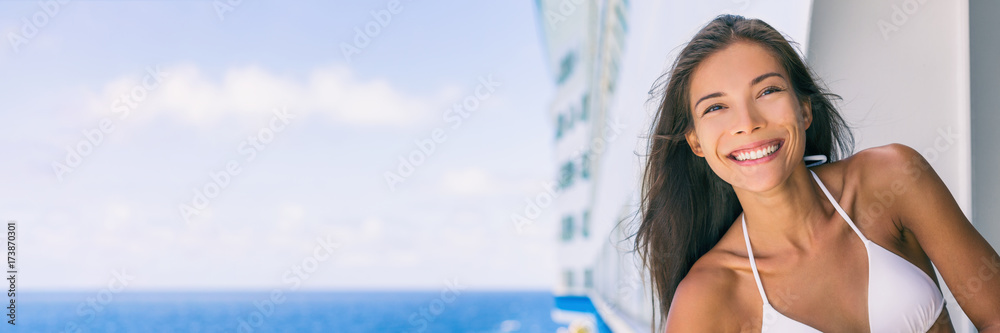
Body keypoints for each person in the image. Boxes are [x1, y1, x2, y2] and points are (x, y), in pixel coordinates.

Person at [634, 14, 1000, 332]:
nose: (747, 123)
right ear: (696, 142)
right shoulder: (707, 295)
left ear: (804, 109)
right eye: (716, 107)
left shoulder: (892, 179)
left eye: (767, 91)